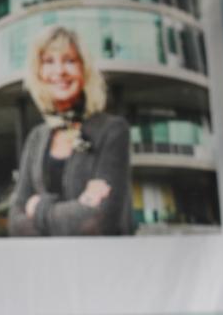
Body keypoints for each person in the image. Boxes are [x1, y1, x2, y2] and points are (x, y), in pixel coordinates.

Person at [9, 26, 132, 236]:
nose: (59, 71)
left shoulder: (113, 130)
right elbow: (15, 223)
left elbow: (98, 221)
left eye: (69, 60)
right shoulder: (36, 137)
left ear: (84, 69)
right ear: (38, 72)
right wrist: (77, 208)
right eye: (48, 62)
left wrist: (38, 208)